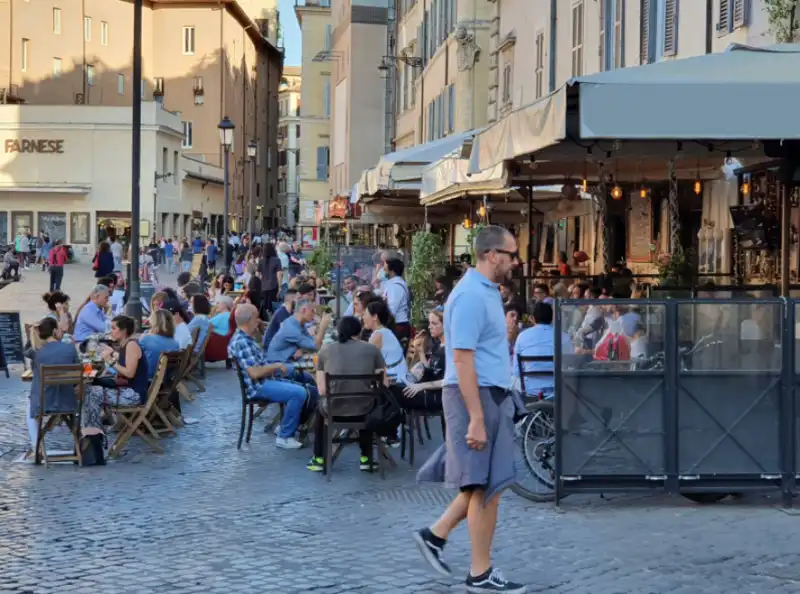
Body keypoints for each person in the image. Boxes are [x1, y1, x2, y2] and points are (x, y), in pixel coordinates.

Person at [415, 225, 525, 594]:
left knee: (487, 485)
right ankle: (479, 572)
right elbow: (461, 359)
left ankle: (436, 535)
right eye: (511, 255)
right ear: (492, 254)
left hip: (488, 393)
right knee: (483, 487)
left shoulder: (487, 292)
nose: (515, 261)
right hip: (473, 396)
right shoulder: (470, 296)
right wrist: (476, 417)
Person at [228, 304, 317, 450]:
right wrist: (276, 366)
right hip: (259, 386)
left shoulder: (246, 338)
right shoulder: (242, 341)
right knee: (299, 393)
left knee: (309, 390)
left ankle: (287, 426)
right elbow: (255, 373)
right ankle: (285, 436)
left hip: (265, 381)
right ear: (249, 320)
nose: (259, 321)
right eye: (257, 317)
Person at [306, 316, 387, 473]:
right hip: (364, 409)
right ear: (359, 331)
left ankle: (319, 458)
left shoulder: (326, 350)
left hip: (334, 410)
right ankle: (366, 457)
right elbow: (384, 383)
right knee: (366, 399)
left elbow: (322, 390)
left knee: (319, 409)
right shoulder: (372, 350)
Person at [83, 315, 150, 435]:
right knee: (89, 387)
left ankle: (93, 434)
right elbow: (125, 362)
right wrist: (112, 353)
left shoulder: (131, 345)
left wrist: (109, 360)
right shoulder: (127, 345)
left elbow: (129, 373)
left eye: (114, 328)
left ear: (123, 330)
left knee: (92, 393)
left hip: (134, 395)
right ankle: (94, 430)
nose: (110, 331)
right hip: (128, 390)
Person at [25, 317, 80, 452]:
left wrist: (30, 334)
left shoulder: (38, 353)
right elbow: (77, 372)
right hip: (68, 401)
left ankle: (37, 448)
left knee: (30, 410)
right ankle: (79, 445)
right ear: (55, 331)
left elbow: (26, 351)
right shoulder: (70, 348)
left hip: (45, 403)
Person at [512, 301, 573, 398]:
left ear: (533, 318)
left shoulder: (522, 336)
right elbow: (570, 365)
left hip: (530, 390)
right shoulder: (563, 337)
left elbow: (516, 371)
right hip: (558, 391)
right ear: (552, 318)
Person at [401, 309, 446, 413]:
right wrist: (420, 352)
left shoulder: (450, 350)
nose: (430, 327)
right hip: (430, 389)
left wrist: (420, 386)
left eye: (434, 323)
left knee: (397, 394)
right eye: (429, 323)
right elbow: (430, 371)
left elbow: (448, 380)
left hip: (438, 395)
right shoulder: (437, 346)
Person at [266, 299, 331, 363]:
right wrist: (322, 327)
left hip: (287, 359)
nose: (314, 314)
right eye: (312, 311)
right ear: (303, 310)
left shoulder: (296, 322)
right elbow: (316, 346)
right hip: (277, 364)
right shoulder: (291, 329)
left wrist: (301, 349)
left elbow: (312, 341)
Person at [364, 299, 409, 384]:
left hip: (396, 381)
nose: (363, 318)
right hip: (398, 376)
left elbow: (364, 359)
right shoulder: (385, 331)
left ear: (375, 317)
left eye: (365, 314)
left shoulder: (378, 335)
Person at [139, 309, 180, 379]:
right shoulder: (175, 344)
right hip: (164, 380)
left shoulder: (146, 339)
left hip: (145, 379)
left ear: (154, 323)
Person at [382, 258, 411, 351]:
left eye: (385, 268)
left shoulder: (395, 286)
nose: (383, 270)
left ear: (392, 271)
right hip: (397, 324)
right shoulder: (394, 284)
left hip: (398, 325)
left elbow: (391, 309)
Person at [259, 242, 283, 311]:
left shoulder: (261, 261)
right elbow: (279, 274)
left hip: (263, 286)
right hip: (273, 285)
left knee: (264, 304)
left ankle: (265, 317)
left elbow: (258, 275)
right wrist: (280, 287)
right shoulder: (277, 260)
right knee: (272, 305)